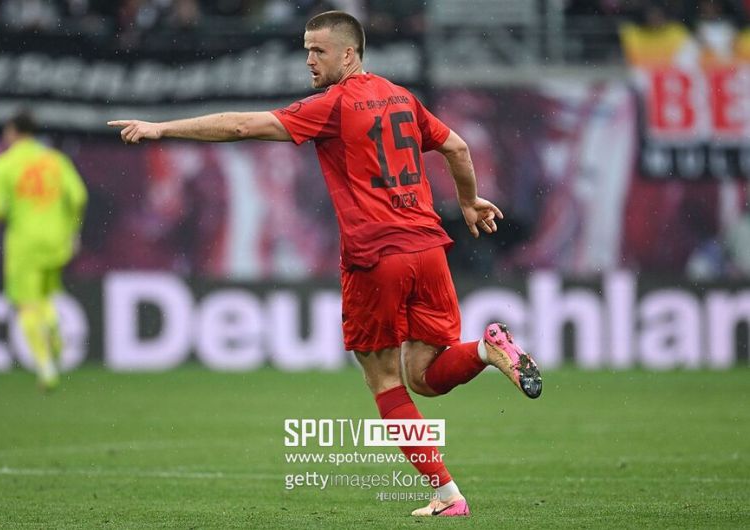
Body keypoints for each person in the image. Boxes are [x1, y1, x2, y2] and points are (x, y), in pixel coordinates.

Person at [108, 10, 542, 517]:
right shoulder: (402, 97)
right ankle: (488, 350)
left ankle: (448, 497)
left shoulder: (334, 105)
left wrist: (161, 128)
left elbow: (244, 125)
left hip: (376, 256)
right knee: (424, 377)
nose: (309, 60)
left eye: (318, 50)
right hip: (428, 248)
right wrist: (468, 202)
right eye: (306, 50)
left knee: (385, 381)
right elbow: (457, 146)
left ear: (349, 53)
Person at [0, 110, 87, 390]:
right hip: (56, 241)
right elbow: (78, 196)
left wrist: (15, 206)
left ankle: (46, 368)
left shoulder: (3, 165)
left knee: (27, 304)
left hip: (24, 245)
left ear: (12, 132)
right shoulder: (55, 160)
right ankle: (53, 326)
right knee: (46, 297)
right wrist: (73, 231)